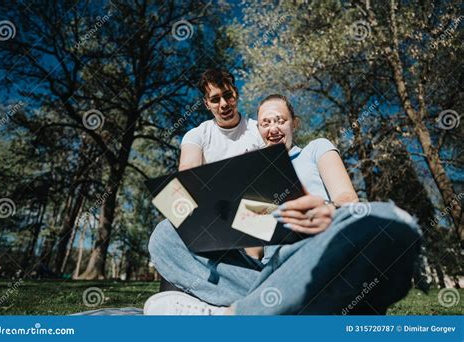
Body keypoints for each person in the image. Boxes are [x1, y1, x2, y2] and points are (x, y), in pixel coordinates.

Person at [145, 94, 422, 315]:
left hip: (318, 249)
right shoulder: (255, 172)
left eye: (280, 121)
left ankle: (232, 315)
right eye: (265, 123)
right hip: (269, 271)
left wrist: (327, 211)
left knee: (393, 221)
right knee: (165, 235)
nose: (273, 129)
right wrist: (219, 230)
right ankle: (276, 306)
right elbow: (254, 250)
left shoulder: (317, 149)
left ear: (294, 123)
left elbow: (348, 200)